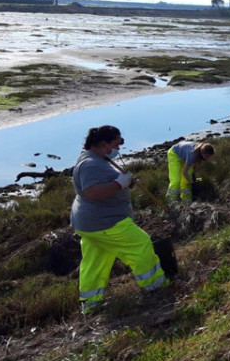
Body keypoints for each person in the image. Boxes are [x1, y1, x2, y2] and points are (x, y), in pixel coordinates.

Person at [71, 125, 169, 313]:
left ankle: (90, 303)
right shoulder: (90, 164)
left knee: (96, 261)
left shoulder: (95, 158)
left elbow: (101, 184)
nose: (118, 150)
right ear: (103, 144)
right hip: (106, 223)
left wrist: (124, 183)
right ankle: (155, 287)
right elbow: (91, 191)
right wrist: (118, 184)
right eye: (115, 145)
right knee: (140, 245)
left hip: (89, 224)